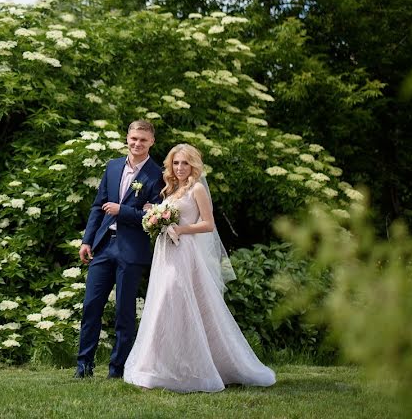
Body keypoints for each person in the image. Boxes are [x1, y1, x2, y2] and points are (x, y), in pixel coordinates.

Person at [123, 143, 276, 392]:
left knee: (175, 300)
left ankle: (198, 367)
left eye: (185, 163)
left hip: (185, 252)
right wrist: (154, 217)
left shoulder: (196, 189)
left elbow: (208, 224)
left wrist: (181, 228)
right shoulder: (170, 189)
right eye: (176, 163)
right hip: (165, 252)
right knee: (164, 303)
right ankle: (160, 365)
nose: (180, 167)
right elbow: (164, 217)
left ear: (193, 165)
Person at [74, 120, 164, 379]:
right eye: (134, 138)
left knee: (124, 313)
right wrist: (87, 240)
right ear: (127, 138)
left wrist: (121, 211)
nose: (137, 144)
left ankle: (118, 368)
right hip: (102, 247)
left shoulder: (157, 175)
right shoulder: (113, 166)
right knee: (91, 306)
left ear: (151, 142)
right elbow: (97, 206)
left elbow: (155, 217)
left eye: (143, 140)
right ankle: (84, 366)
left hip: (131, 250)